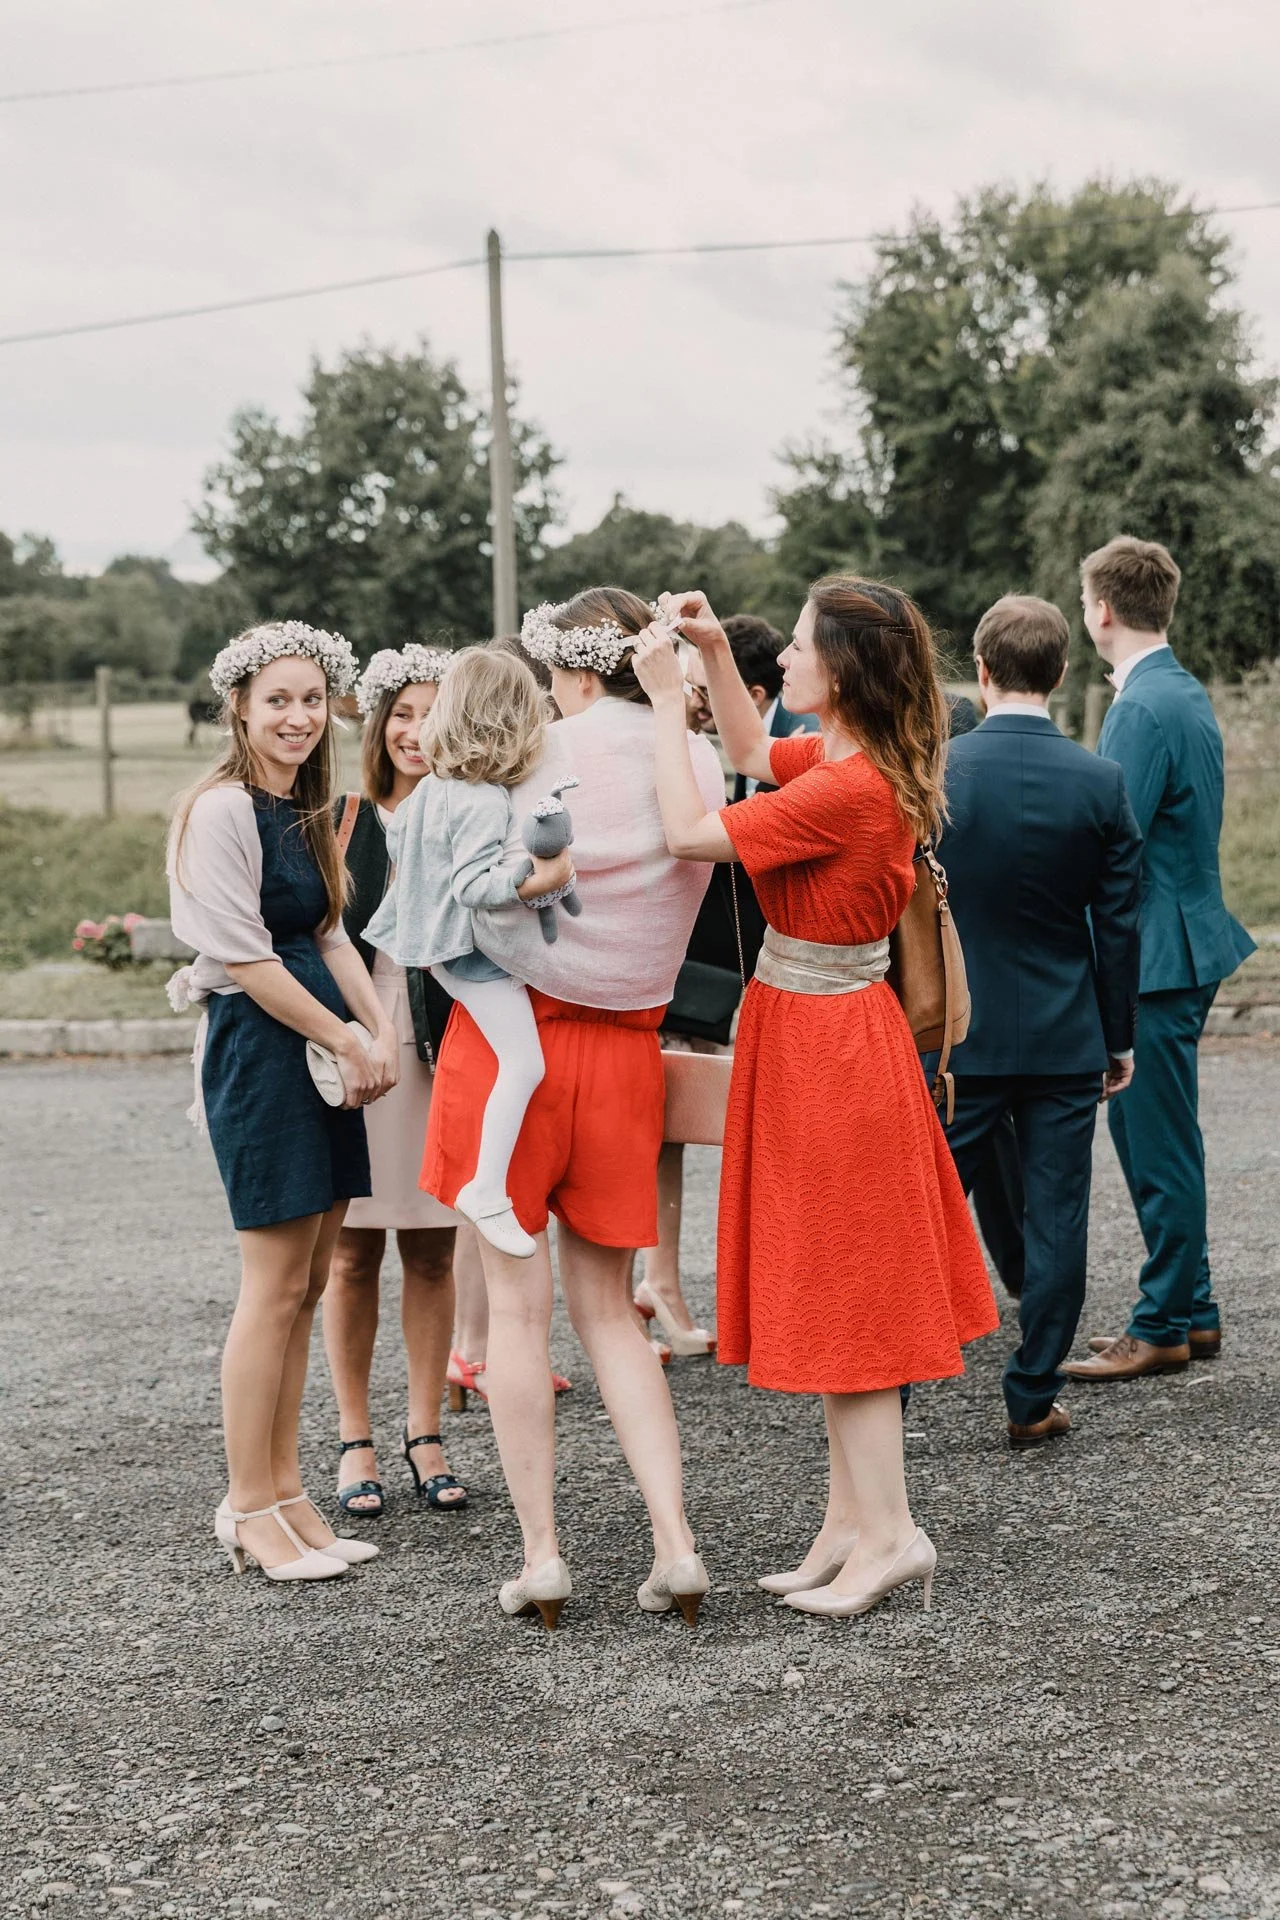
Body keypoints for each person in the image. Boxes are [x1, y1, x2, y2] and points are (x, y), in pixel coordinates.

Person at [632, 578, 998, 1620]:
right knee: (834, 1280)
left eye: (793, 649)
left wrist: (665, 704)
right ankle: (849, 1521)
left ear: (836, 671)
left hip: (831, 1046)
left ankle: (890, 1533)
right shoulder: (845, 757)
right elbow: (749, 754)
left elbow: (686, 831)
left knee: (850, 1291)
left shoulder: (848, 787)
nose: (780, 661)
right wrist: (709, 652)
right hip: (815, 1035)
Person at [423, 590, 726, 1630]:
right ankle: (674, 1543)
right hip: (625, 1052)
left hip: (512, 1040)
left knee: (517, 1313)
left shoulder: (536, 750)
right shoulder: (696, 763)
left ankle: (543, 1555)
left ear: (576, 671)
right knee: (610, 1314)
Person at [167, 620, 394, 1584]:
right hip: (265, 1051)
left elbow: (333, 935)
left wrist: (380, 1032)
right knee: (269, 1291)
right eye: (278, 702)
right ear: (242, 708)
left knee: (310, 1284)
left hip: (325, 1045)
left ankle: (292, 1491)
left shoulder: (305, 807)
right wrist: (342, 1037)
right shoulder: (220, 812)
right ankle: (248, 1506)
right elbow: (251, 960)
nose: (297, 718)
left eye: (311, 700)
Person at [934, 596, 1143, 1446]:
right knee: (1058, 1217)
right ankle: (1030, 1396)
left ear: (982, 671)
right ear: (1059, 675)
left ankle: (896, 1390)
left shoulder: (936, 773)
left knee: (931, 1208)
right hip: (1065, 1036)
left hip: (958, 1036)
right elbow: (1121, 923)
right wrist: (1117, 1033)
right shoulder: (1101, 781)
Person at [1064, 537, 1255, 1382]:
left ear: (1102, 609)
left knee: (1155, 1138)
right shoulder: (1176, 690)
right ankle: (1194, 1307)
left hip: (1159, 949)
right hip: (1187, 930)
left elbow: (1115, 842)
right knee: (1151, 1128)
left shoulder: (1140, 708)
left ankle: (1164, 1322)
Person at [364, 647, 576, 1263]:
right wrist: (529, 874)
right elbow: (471, 887)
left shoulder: (432, 787)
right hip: (468, 954)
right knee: (525, 1066)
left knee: (512, 1062)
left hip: (428, 950)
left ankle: (485, 1185)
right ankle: (487, 1189)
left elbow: (402, 840)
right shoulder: (482, 799)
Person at [322, 644, 470, 1520]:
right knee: (349, 1252)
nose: (416, 732)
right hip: (357, 1043)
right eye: (402, 715)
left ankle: (425, 1431)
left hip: (444, 1042)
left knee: (433, 1247)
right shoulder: (344, 819)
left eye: (431, 714)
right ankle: (355, 1437)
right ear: (378, 724)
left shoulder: (471, 814)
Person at [720, 614, 820, 799]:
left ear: (755, 695)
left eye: (708, 688)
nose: (697, 700)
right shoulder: (748, 729)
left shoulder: (803, 735)